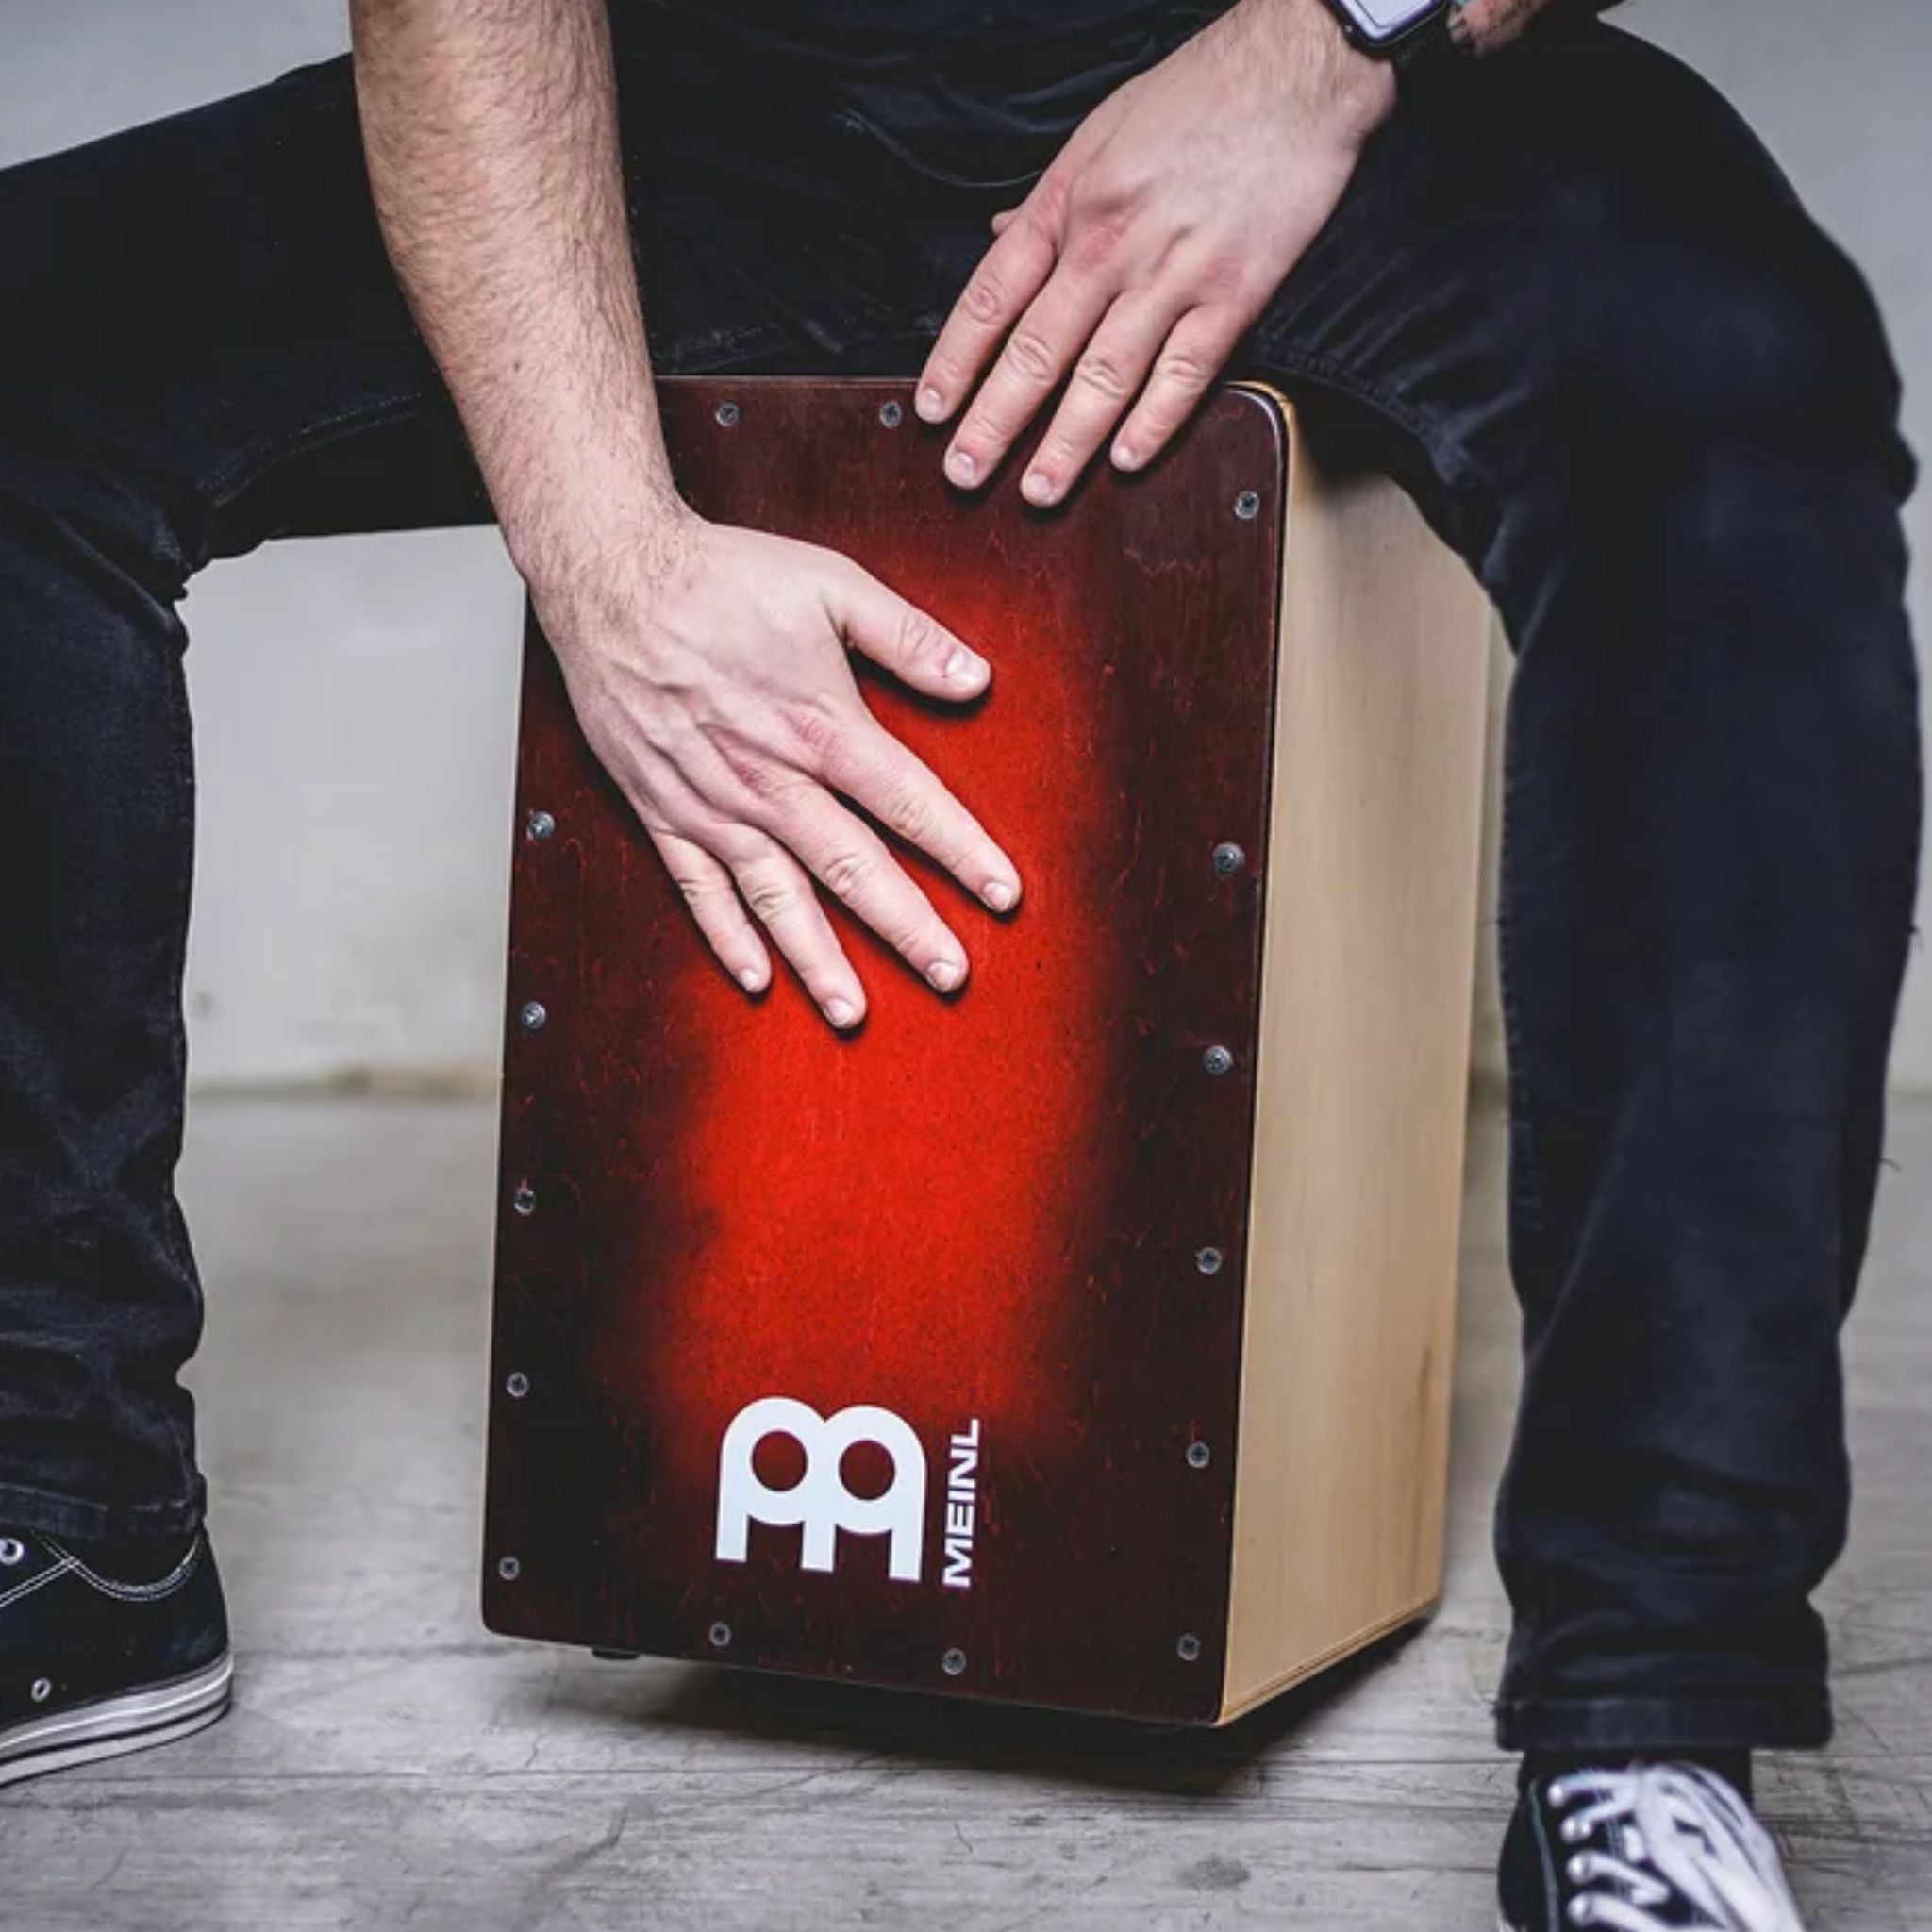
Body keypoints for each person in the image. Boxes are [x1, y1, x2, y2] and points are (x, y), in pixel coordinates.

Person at [0, 0, 1916, 1923]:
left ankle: (1644, 1715)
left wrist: (1326, 42)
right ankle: (78, 1533)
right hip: (720, 86)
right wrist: (607, 561)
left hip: (1272, 53)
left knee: (1728, 389)